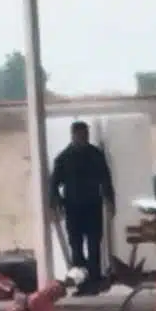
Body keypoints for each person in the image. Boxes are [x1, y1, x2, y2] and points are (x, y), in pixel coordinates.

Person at [49, 121, 116, 294]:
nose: (83, 138)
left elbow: (106, 180)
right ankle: (81, 282)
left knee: (94, 244)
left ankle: (94, 279)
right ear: (73, 136)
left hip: (93, 207)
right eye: (79, 135)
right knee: (76, 247)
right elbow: (53, 184)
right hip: (73, 209)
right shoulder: (64, 158)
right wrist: (55, 205)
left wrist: (110, 201)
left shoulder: (95, 155)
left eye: (85, 135)